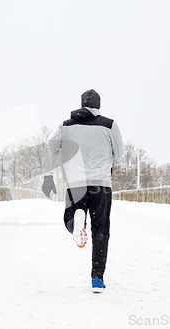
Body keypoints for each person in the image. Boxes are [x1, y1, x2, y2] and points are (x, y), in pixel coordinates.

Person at [41, 89, 123, 293]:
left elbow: (50, 147)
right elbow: (119, 153)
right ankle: (97, 278)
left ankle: (75, 224)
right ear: (99, 105)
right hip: (101, 184)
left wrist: (48, 176)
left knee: (71, 218)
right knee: (101, 230)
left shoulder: (66, 126)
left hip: (75, 184)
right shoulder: (109, 124)